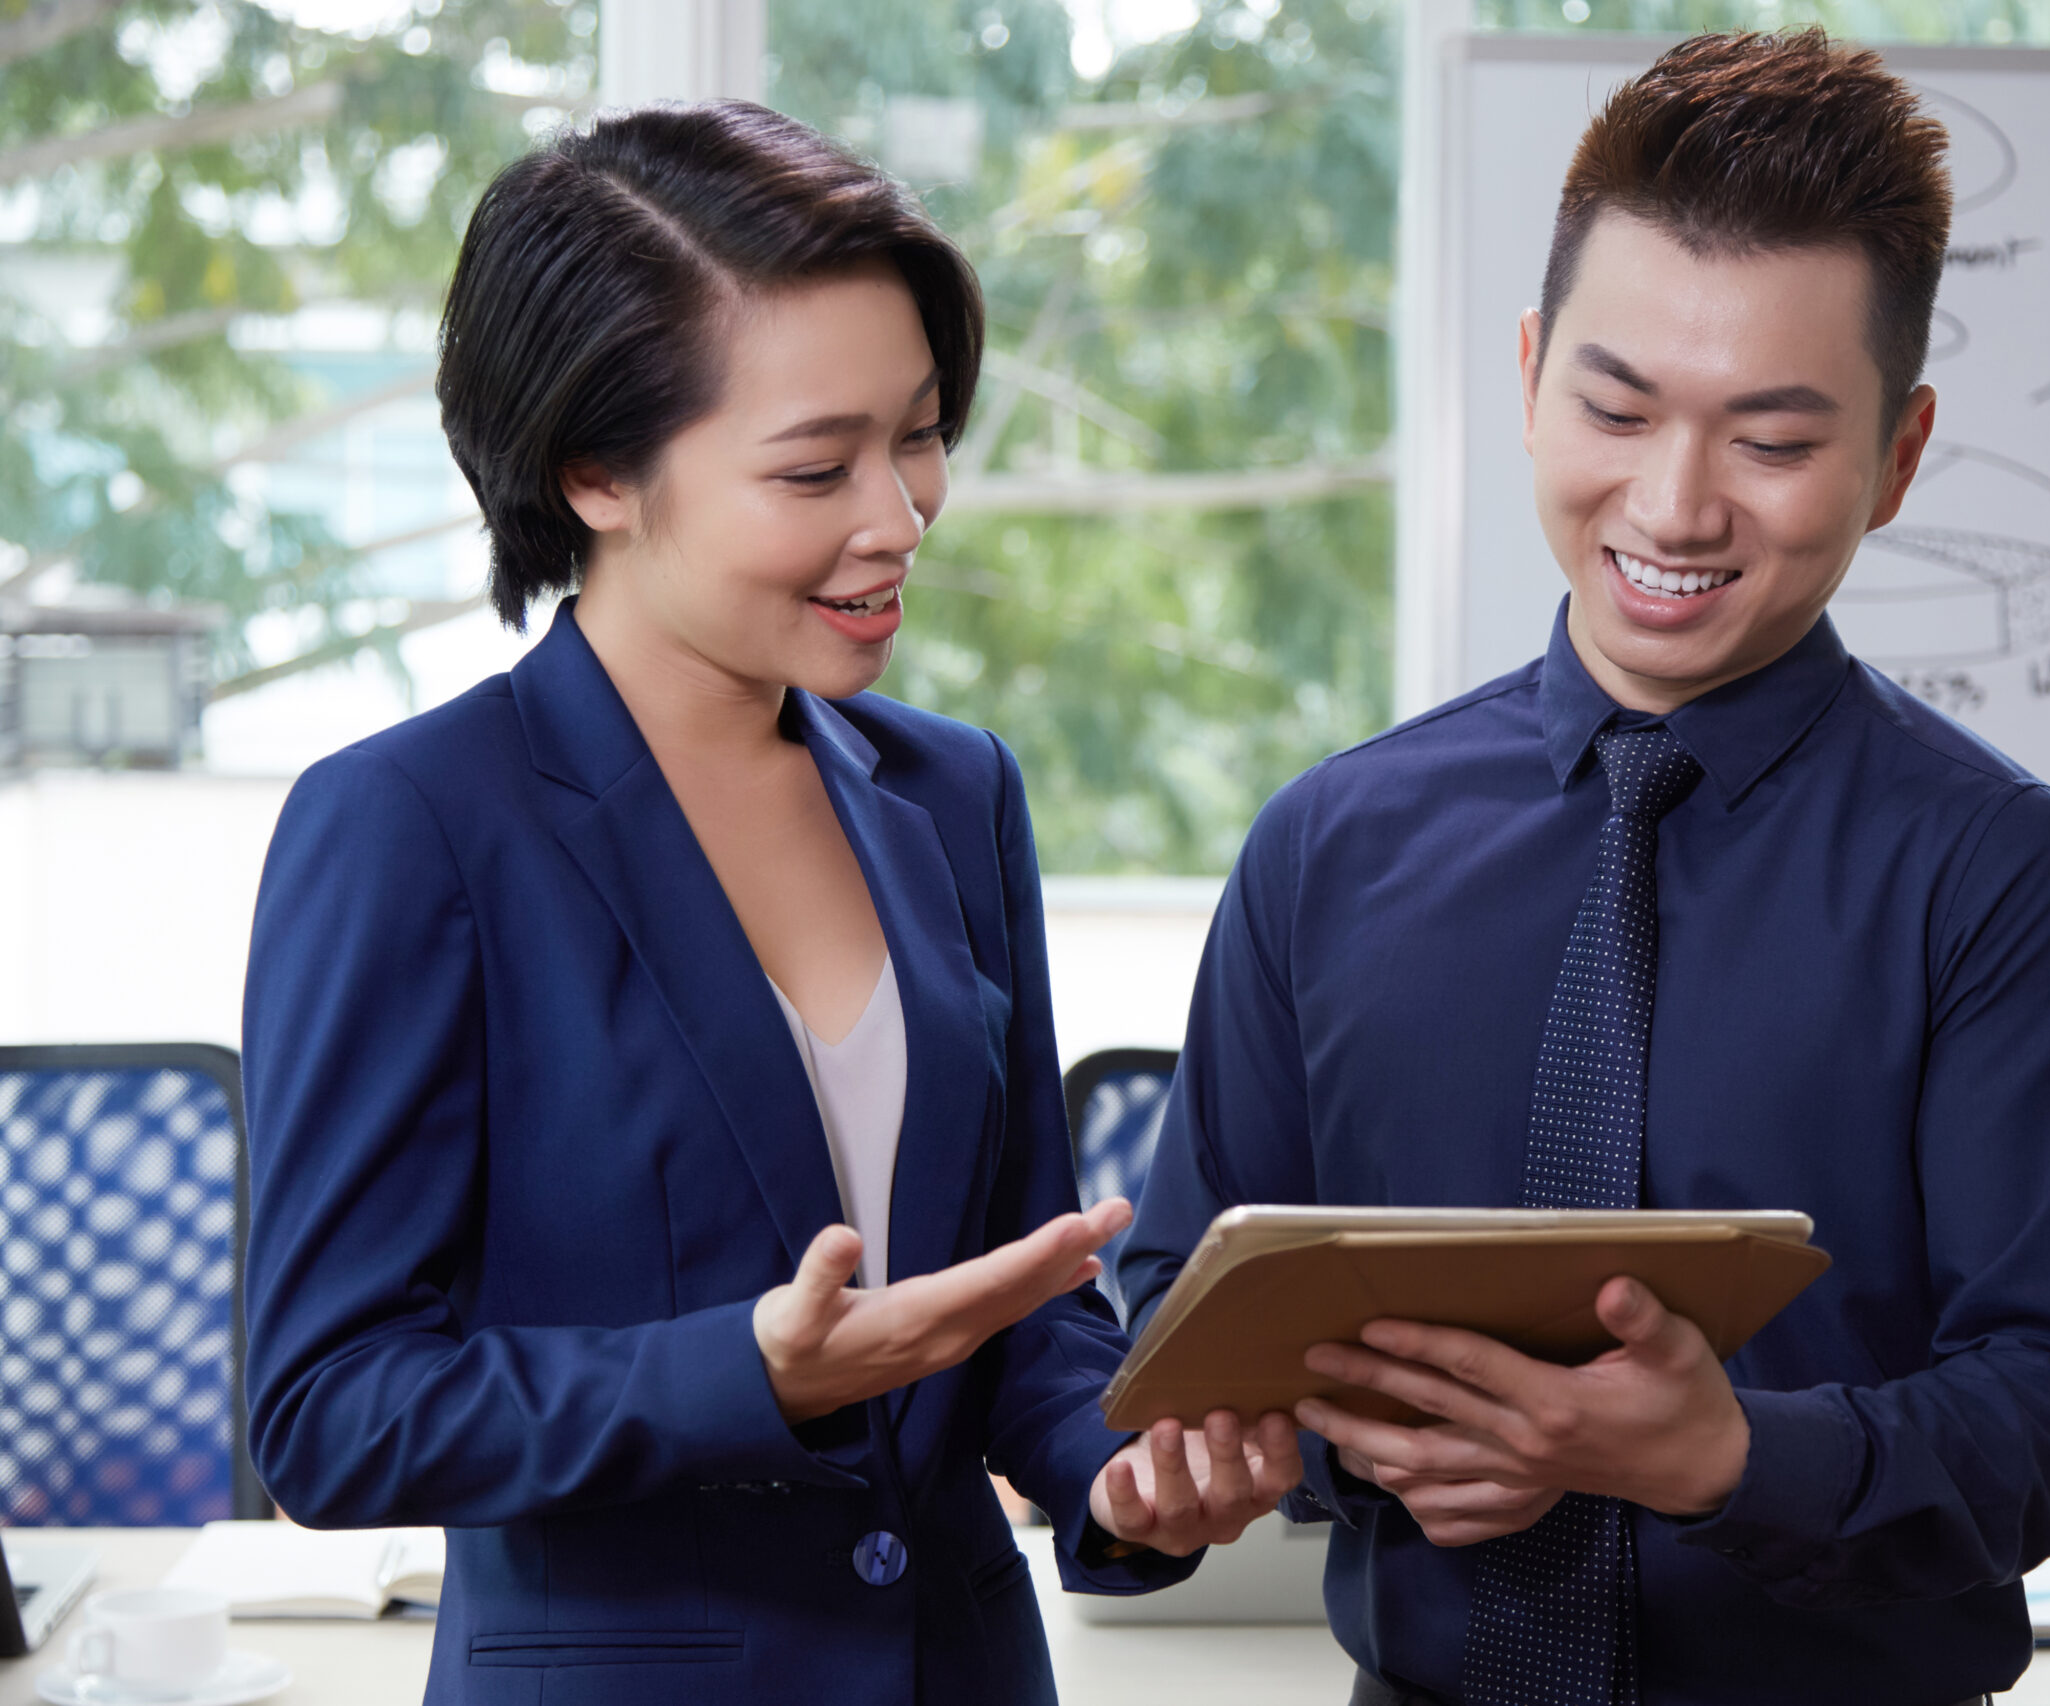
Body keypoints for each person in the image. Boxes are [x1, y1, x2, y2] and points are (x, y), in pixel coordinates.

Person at [1119, 31, 2050, 1706]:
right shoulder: (1328, 843)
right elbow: (1186, 1290)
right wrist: (1338, 1440)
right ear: (1530, 376)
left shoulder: (2003, 878)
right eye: (1614, 407)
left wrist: (1725, 1454)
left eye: (1774, 438)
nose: (1674, 505)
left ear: (1899, 457)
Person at [241, 102, 1298, 1706]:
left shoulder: (954, 792)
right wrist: (744, 1372)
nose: (902, 515)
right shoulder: (410, 826)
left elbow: (1016, 1296)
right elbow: (331, 1407)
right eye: (819, 466)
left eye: (921, 434)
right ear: (595, 470)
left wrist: (1122, 1466)